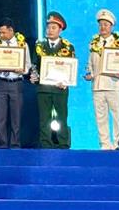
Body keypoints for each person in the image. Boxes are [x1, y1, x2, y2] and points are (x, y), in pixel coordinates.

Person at [84, 9, 119, 150]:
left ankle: (118, 144)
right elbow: (90, 63)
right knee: (100, 117)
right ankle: (104, 145)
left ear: (111, 26)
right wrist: (89, 74)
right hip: (97, 85)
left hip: (114, 84)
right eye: (101, 24)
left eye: (106, 25)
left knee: (117, 116)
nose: (102, 27)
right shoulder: (93, 43)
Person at [0, 18, 31, 148]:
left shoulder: (22, 45)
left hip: (16, 82)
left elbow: (27, 64)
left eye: (3, 32)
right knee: (0, 117)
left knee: (16, 116)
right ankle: (2, 144)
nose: (1, 35)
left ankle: (15, 144)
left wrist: (23, 70)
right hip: (0, 82)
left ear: (11, 30)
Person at [34, 11, 74, 149]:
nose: (49, 30)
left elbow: (71, 68)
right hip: (43, 88)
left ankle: (63, 143)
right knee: (44, 118)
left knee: (61, 117)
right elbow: (34, 65)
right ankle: (46, 144)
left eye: (53, 28)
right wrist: (33, 75)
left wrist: (66, 82)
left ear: (60, 30)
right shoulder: (39, 46)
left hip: (60, 88)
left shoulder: (67, 47)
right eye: (48, 27)